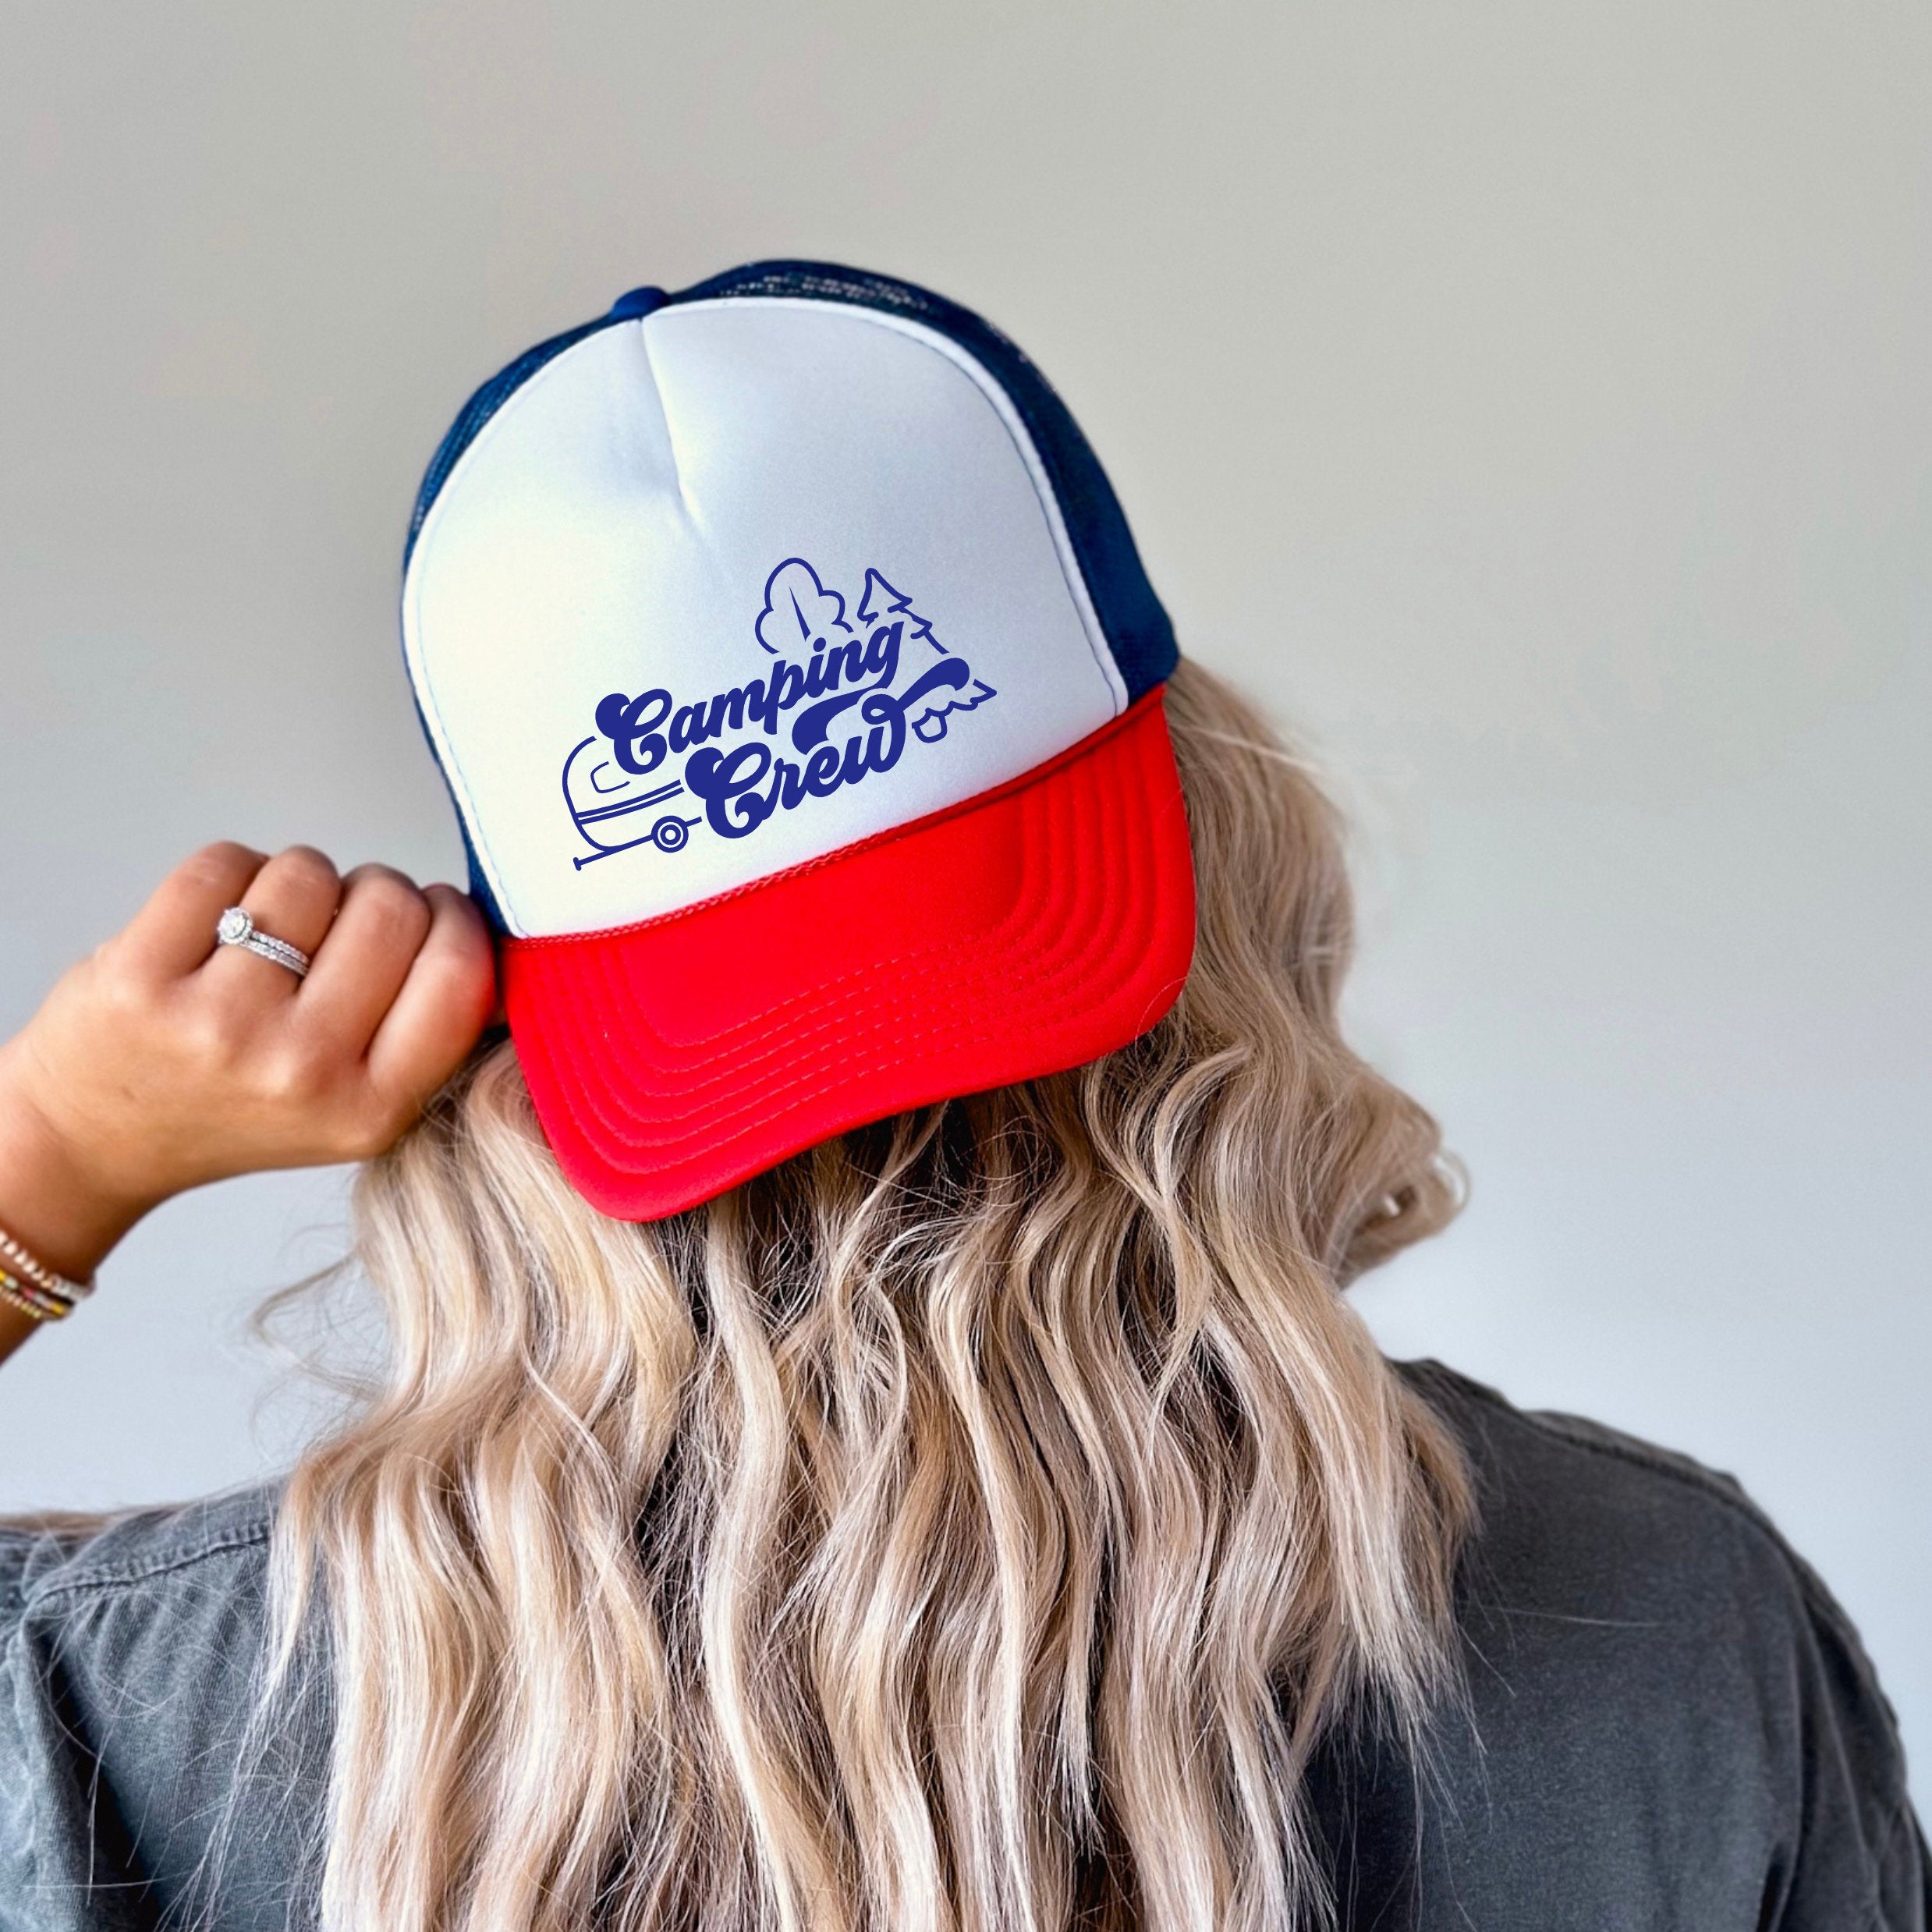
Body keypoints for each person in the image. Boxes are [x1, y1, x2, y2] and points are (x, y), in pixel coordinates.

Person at [1, 266, 1923, 1932]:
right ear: (1236, 864)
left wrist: (56, 1165)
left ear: (509, 1034)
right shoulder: (1678, 1633)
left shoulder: (143, 1707)